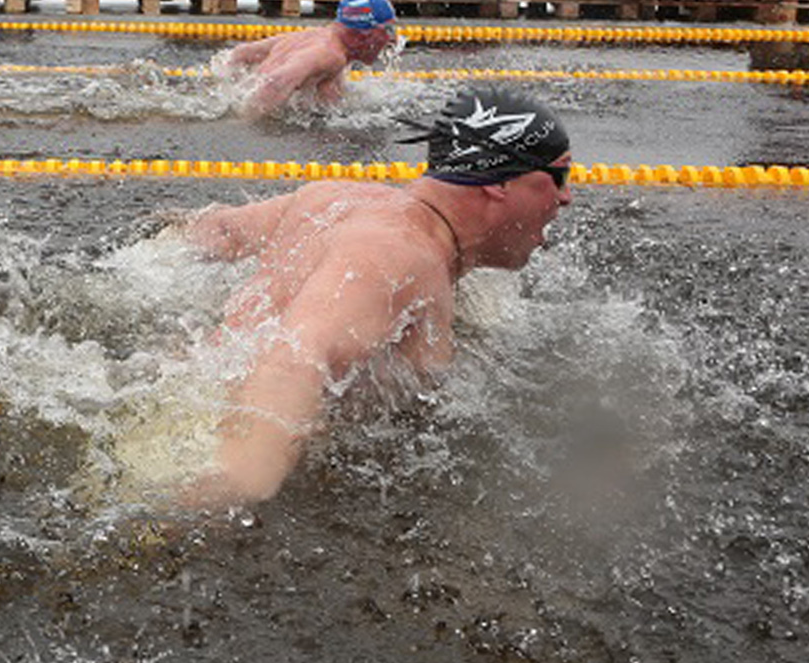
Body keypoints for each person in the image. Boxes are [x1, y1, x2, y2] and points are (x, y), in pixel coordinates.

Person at [178, 87, 574, 506]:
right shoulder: (399, 254)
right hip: (201, 447)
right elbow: (294, 357)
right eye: (560, 177)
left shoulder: (340, 197)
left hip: (193, 388)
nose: (566, 198)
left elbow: (216, 231)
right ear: (500, 181)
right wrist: (236, 489)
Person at [223, 0, 399, 117]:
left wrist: (231, 91)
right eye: (389, 31)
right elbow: (275, 83)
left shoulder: (313, 36)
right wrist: (245, 123)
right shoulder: (330, 55)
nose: (393, 40)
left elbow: (242, 53)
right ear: (364, 33)